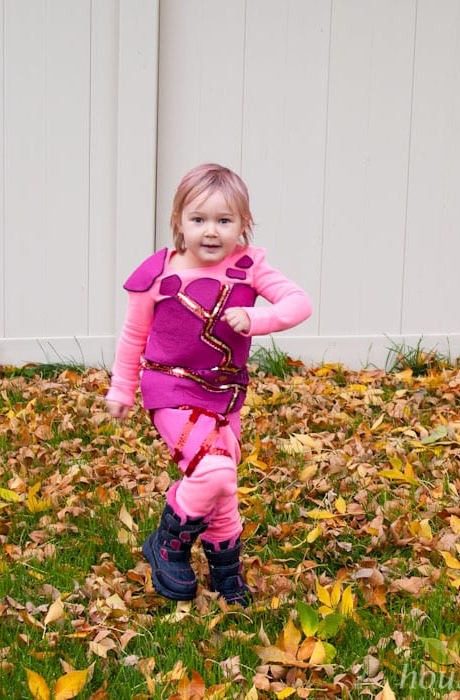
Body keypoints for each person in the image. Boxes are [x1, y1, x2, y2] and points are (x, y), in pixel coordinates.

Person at [106, 163, 312, 606]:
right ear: (179, 221)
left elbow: (299, 303)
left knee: (223, 485)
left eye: (225, 220)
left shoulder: (249, 267)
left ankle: (226, 572)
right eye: (199, 220)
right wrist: (122, 388)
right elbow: (133, 336)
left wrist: (259, 318)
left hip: (225, 394)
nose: (211, 231)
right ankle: (168, 543)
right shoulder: (157, 274)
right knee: (213, 470)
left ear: (243, 224)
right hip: (171, 389)